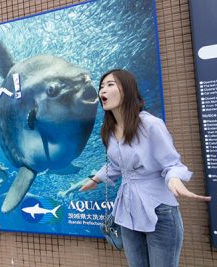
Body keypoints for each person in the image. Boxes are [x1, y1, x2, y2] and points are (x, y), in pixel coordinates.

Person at [79, 69, 211, 267]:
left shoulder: (151, 125)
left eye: (110, 85)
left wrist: (174, 178)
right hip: (127, 210)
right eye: (101, 86)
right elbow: (116, 165)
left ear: (128, 90)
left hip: (159, 210)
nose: (102, 91)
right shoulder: (108, 131)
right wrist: (95, 179)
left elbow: (172, 164)